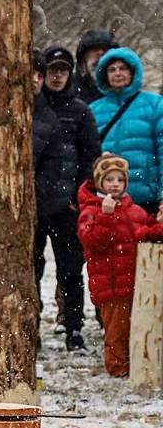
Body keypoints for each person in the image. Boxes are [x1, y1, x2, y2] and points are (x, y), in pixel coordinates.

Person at [77, 153, 162, 376]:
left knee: (137, 326)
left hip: (135, 283)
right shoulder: (91, 211)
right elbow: (92, 242)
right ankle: (117, 368)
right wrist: (105, 216)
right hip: (111, 286)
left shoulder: (135, 211)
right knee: (116, 331)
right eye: (109, 180)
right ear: (98, 182)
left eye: (119, 180)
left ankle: (137, 364)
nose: (115, 184)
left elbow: (142, 235)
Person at [39, 46, 101, 340]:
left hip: (68, 206)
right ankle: (31, 327)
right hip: (36, 204)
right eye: (53, 70)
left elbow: (91, 155)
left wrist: (80, 195)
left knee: (71, 271)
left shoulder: (80, 110)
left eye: (63, 70)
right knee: (31, 270)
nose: (58, 76)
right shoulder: (32, 107)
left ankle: (74, 327)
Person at [90, 47, 163, 216]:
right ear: (105, 75)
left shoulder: (154, 105)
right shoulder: (93, 109)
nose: (117, 73)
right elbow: (88, 155)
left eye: (123, 68)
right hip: (107, 200)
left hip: (147, 198)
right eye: (112, 69)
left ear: (132, 72)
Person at [31, 50, 71, 347]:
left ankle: (64, 323)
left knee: (50, 267)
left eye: (38, 74)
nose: (34, 79)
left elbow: (54, 162)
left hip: (39, 207)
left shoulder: (47, 117)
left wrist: (33, 195)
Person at [73, 29, 119, 105]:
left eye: (105, 49)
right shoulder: (67, 90)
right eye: (94, 49)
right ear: (82, 62)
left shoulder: (125, 91)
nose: (100, 53)